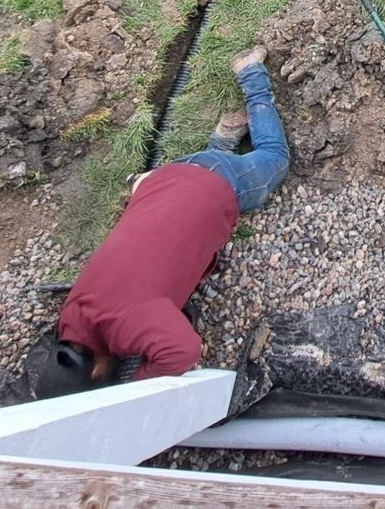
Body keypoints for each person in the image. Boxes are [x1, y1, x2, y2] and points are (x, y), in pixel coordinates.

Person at [27, 44, 289, 397]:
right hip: (162, 179)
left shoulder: (126, 324)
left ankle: (251, 74)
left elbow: (183, 351)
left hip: (215, 185)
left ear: (98, 372)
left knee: (274, 156)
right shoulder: (74, 312)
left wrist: (136, 389)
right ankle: (221, 142)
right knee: (193, 185)